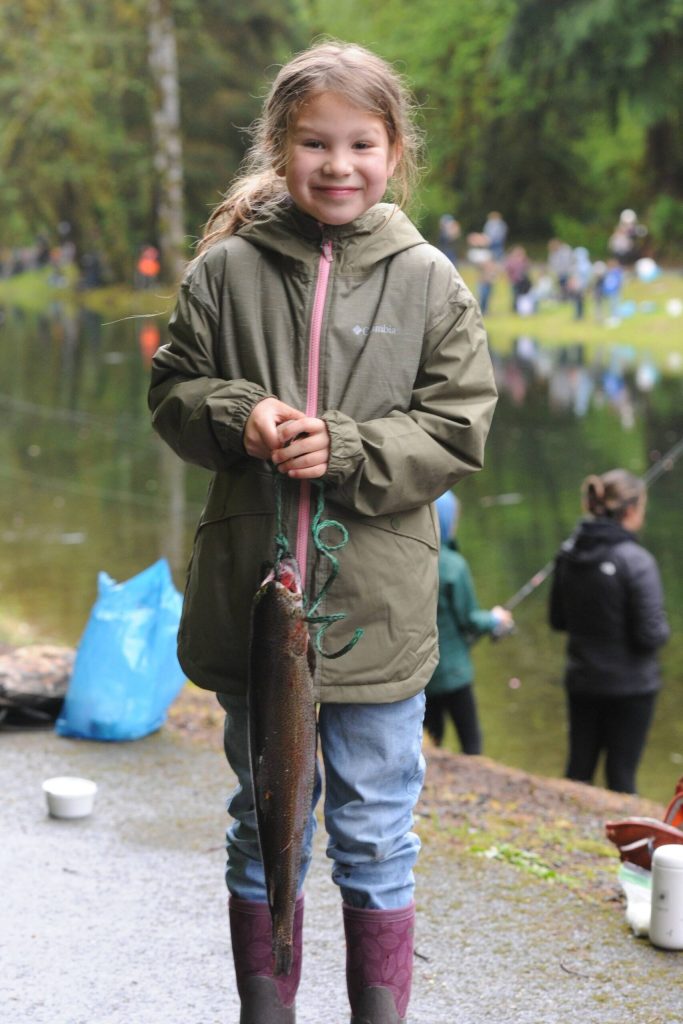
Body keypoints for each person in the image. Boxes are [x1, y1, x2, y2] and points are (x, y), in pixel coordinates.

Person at [148, 41, 497, 1024]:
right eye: (314, 143)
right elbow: (171, 394)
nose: (336, 165)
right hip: (256, 624)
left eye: (358, 143)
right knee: (263, 830)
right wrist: (235, 416)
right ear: (279, 144)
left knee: (378, 831)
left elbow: (456, 431)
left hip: (377, 622)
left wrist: (342, 448)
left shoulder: (430, 282)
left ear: (392, 151)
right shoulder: (222, 272)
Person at [549, 470, 669, 795]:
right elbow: (650, 635)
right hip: (632, 689)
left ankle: (568, 833)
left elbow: (558, 620)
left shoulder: (568, 553)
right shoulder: (638, 561)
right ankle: (625, 841)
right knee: (622, 777)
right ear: (630, 510)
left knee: (578, 771)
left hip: (583, 681)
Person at [424, 491, 513, 753]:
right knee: (471, 741)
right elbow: (469, 619)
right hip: (455, 674)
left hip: (424, 672)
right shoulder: (454, 565)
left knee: (431, 737)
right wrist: (495, 618)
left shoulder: (413, 560)